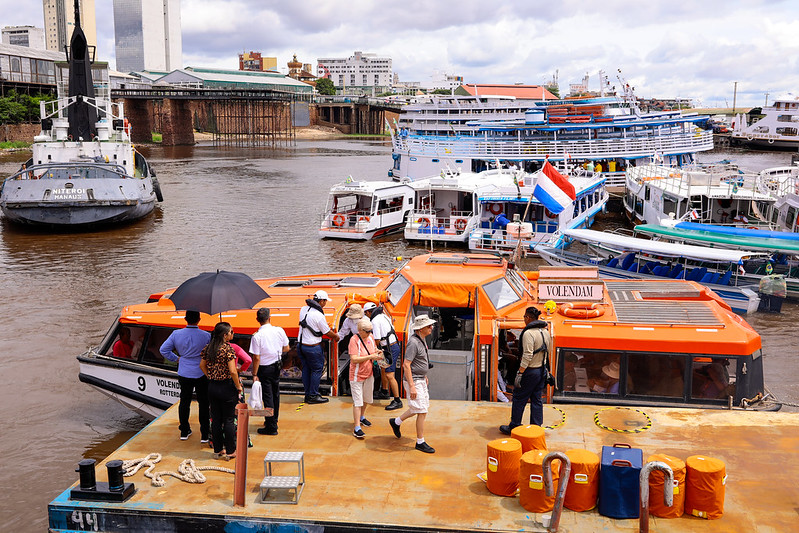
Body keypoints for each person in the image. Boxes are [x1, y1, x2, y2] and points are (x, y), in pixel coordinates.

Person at [389, 314, 437, 454]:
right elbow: (406, 365)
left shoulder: (422, 340)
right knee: (422, 410)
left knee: (419, 407)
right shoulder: (413, 343)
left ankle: (396, 422)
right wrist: (411, 386)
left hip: (420, 378)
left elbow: (421, 361)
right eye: (429, 326)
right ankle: (420, 441)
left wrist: (424, 375)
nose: (431, 328)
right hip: (414, 380)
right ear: (421, 328)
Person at [160, 310, 212, 441]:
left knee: (184, 402)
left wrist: (176, 358)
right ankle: (205, 434)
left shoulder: (176, 334)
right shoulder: (206, 335)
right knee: (204, 403)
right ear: (199, 320)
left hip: (184, 371)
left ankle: (184, 431)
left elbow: (163, 349)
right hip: (201, 372)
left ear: (185, 319)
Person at [500, 307, 550, 434]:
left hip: (530, 371)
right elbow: (547, 352)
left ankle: (514, 425)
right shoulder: (545, 332)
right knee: (537, 399)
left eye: (524, 317)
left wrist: (520, 372)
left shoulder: (528, 334)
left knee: (519, 398)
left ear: (528, 318)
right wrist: (547, 371)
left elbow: (527, 355)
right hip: (541, 370)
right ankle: (536, 428)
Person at [199, 322, 243, 460]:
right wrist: (238, 386)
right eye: (231, 332)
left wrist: (210, 376)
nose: (232, 334)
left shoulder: (208, 348)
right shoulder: (228, 350)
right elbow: (232, 371)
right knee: (229, 419)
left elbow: (202, 365)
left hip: (212, 387)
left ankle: (218, 449)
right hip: (226, 387)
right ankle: (231, 450)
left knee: (216, 419)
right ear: (225, 335)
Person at [250, 307, 289, 436]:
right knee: (275, 393)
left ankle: (271, 425)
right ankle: (274, 420)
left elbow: (256, 357)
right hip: (276, 366)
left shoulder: (257, 336)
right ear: (269, 318)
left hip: (264, 368)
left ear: (257, 320)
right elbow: (286, 348)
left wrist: (254, 374)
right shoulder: (279, 330)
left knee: (268, 397)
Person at [297, 290, 340, 404]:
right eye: (325, 301)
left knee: (306, 369)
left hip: (301, 346)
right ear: (321, 301)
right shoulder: (319, 315)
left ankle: (307, 394)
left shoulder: (303, 309)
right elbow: (327, 332)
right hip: (312, 348)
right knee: (317, 370)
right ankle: (313, 395)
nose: (325, 304)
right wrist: (336, 337)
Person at [348, 318, 384, 438]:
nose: (369, 333)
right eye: (367, 331)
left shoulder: (371, 337)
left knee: (366, 398)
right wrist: (371, 356)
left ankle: (362, 417)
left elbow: (373, 349)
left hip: (369, 373)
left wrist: (377, 352)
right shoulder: (354, 340)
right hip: (357, 375)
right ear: (360, 330)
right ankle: (356, 427)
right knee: (357, 402)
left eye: (370, 331)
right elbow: (354, 359)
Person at [364, 302, 403, 410]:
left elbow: (376, 340)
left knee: (390, 375)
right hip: (391, 346)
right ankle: (384, 391)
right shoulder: (384, 316)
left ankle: (397, 400)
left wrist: (370, 350)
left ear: (368, 312)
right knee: (383, 369)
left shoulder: (375, 321)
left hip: (389, 349)